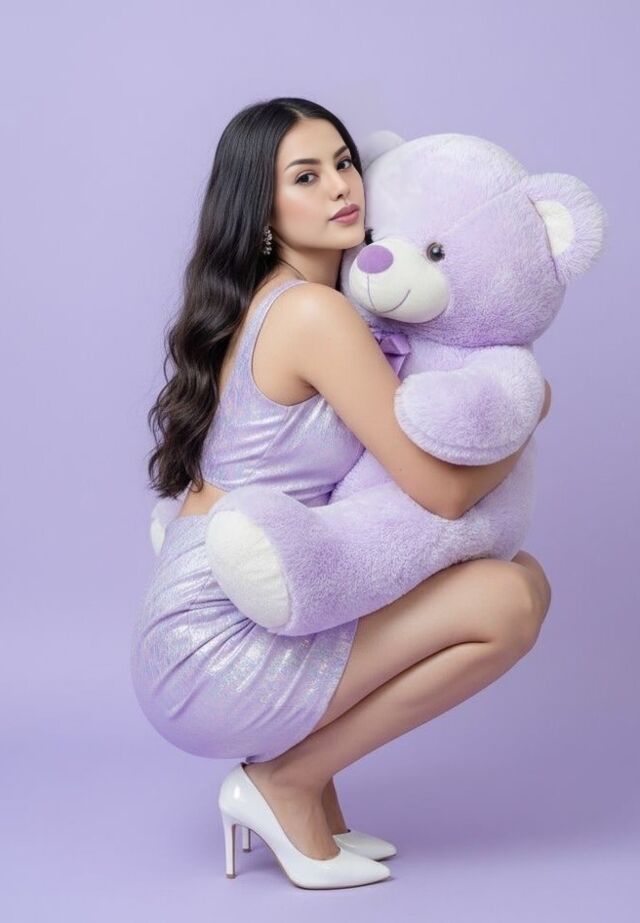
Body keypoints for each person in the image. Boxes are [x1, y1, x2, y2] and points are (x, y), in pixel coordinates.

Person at [130, 97, 552, 889]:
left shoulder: (299, 302)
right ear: (262, 209)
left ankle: (308, 791)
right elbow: (440, 494)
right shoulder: (312, 312)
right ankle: (286, 783)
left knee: (519, 580)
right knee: (508, 599)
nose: (340, 186)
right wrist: (528, 414)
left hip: (214, 615)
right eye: (306, 175)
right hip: (214, 642)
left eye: (345, 162)